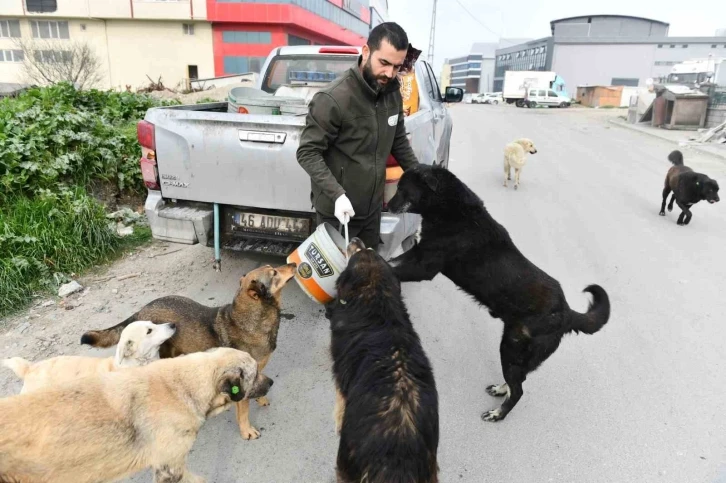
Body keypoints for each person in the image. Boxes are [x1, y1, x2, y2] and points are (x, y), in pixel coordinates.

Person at [296, 22, 419, 251]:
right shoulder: (334, 99)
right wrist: (337, 195)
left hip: (371, 211)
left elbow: (398, 140)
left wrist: (421, 176)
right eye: (384, 63)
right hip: (339, 212)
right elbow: (307, 152)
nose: (389, 73)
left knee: (366, 278)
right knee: (337, 282)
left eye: (396, 66)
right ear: (366, 52)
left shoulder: (392, 94)